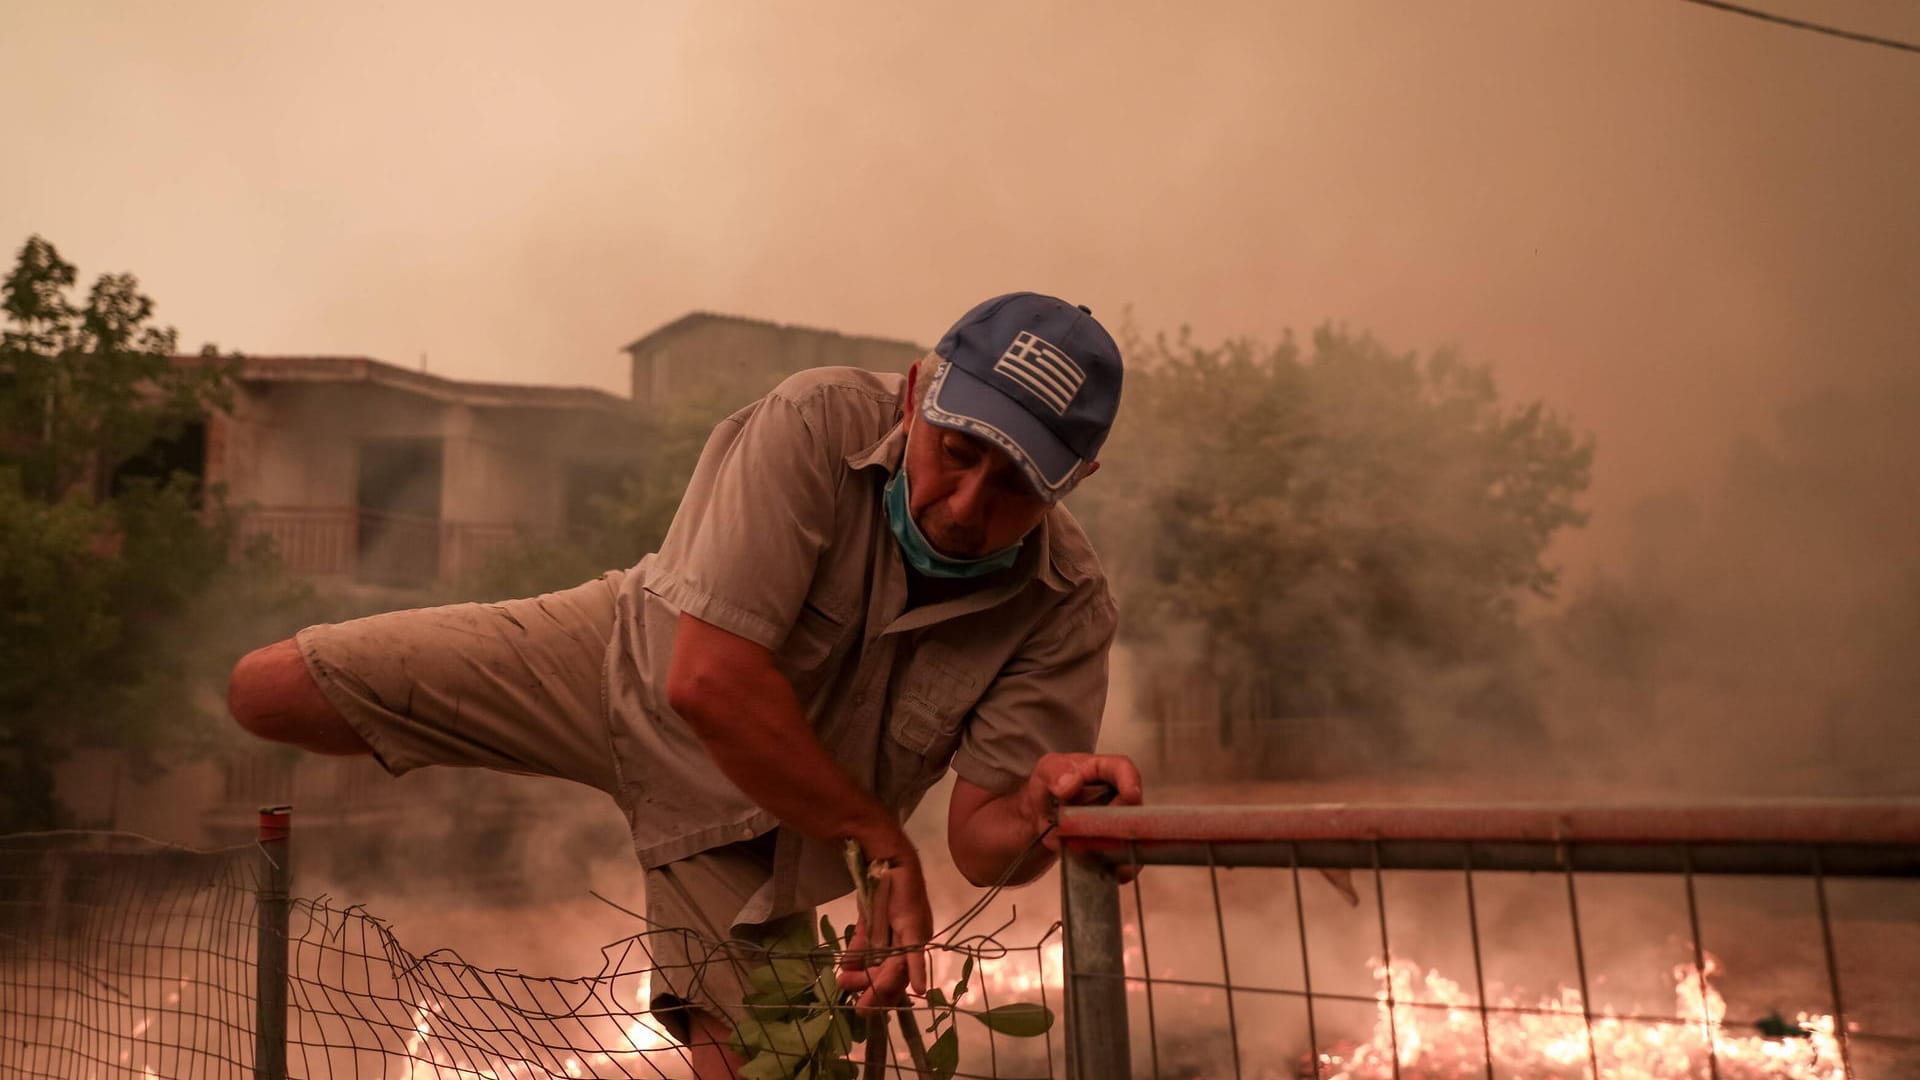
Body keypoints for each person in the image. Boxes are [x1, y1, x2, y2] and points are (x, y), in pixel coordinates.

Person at [226, 291, 1144, 1076]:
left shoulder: (1066, 607)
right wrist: (880, 840)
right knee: (267, 691)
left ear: (1075, 482)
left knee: (774, 1068)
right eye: (958, 452)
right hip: (621, 660)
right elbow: (705, 680)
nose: (966, 505)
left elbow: (986, 847)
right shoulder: (813, 421)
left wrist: (1041, 808)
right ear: (915, 392)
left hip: (765, 830)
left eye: (1017, 484)